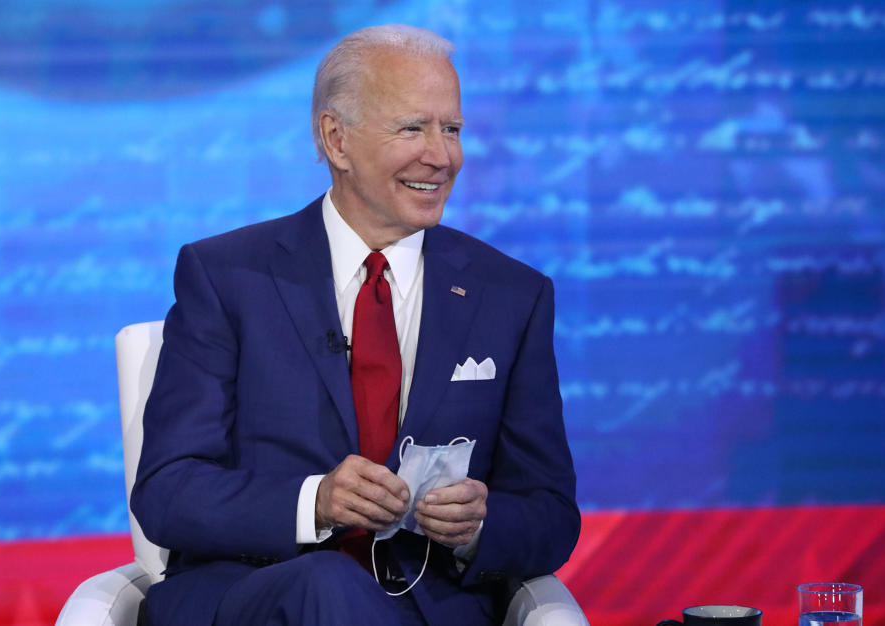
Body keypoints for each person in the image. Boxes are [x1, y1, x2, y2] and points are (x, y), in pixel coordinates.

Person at [131, 24, 580, 626]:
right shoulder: (226, 277)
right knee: (328, 584)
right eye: (413, 128)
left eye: (452, 129)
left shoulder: (512, 296)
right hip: (257, 594)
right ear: (336, 140)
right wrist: (314, 501)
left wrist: (480, 524)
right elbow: (168, 491)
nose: (442, 156)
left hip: (427, 604)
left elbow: (551, 513)